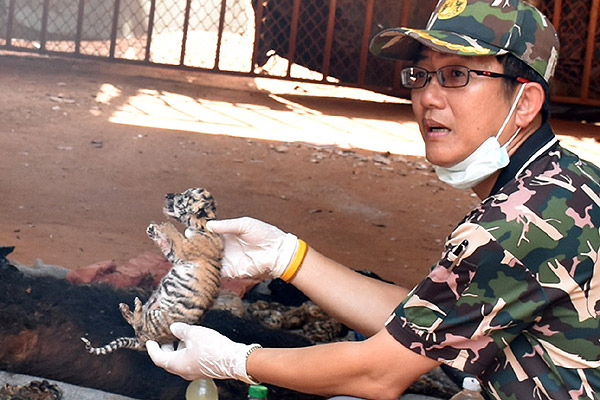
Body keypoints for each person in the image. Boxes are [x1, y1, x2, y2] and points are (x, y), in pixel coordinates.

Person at [146, 0, 600, 399]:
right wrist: (288, 257)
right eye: (421, 76)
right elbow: (420, 325)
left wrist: (235, 361)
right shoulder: (564, 179)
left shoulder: (514, 224)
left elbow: (378, 374)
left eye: (457, 75)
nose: (428, 98)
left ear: (525, 103)